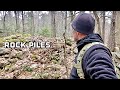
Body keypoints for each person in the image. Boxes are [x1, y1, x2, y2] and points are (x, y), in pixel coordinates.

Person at [70, 13, 118, 79]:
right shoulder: (86, 48)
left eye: (73, 29)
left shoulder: (95, 51)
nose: (72, 32)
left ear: (77, 32)